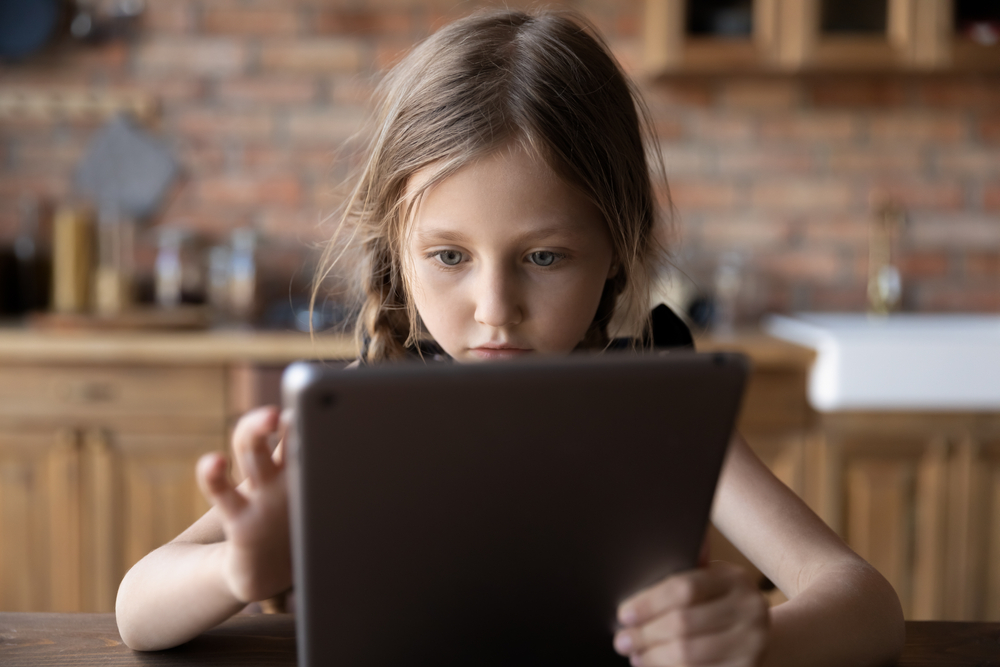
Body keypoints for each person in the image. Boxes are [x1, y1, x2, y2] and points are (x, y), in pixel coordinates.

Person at [116, 9, 905, 665]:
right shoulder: (352, 418)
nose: (496, 307)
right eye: (450, 256)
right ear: (398, 251)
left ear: (616, 250)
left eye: (544, 257)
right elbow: (135, 608)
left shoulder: (653, 409)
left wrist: (755, 641)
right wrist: (232, 568)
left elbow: (864, 601)